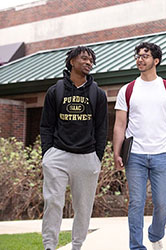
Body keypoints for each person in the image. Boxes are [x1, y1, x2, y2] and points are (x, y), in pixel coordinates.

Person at [113, 42, 166, 250]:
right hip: (134, 155)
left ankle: (155, 234)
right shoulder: (127, 90)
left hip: (161, 154)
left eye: (145, 55)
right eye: (138, 55)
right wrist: (116, 153)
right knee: (136, 203)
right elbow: (119, 124)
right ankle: (136, 246)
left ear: (156, 60)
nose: (140, 59)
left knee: (162, 204)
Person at [40, 46, 108, 250]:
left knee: (83, 208)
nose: (88, 63)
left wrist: (97, 157)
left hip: (87, 158)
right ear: (71, 61)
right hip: (58, 155)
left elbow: (101, 128)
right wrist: (48, 154)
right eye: (84, 58)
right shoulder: (55, 91)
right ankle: (50, 246)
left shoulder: (98, 94)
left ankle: (77, 246)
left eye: (91, 60)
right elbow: (46, 125)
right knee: (53, 202)